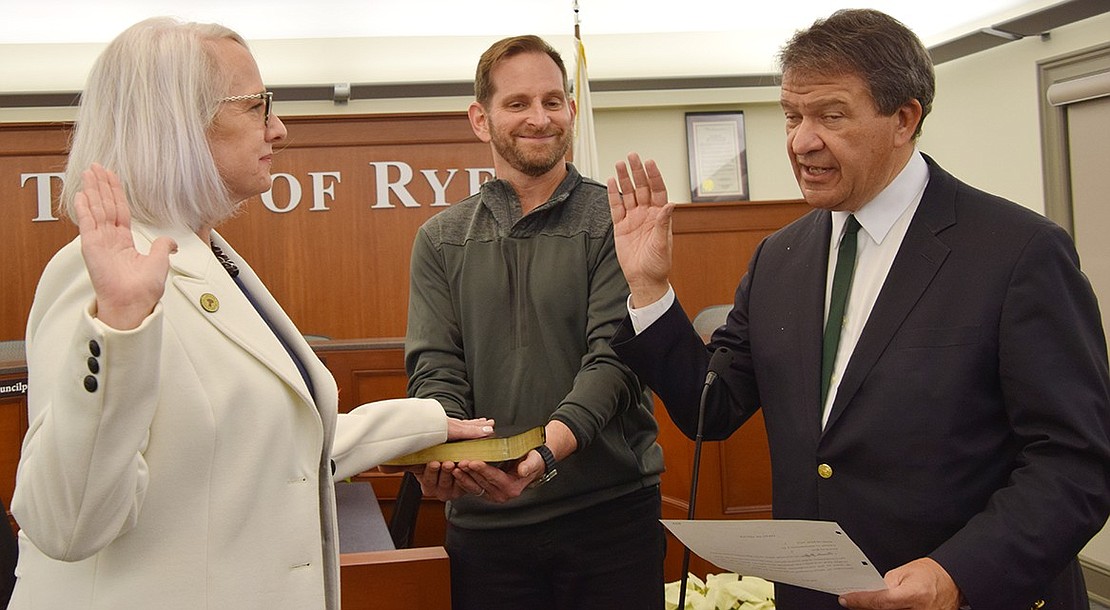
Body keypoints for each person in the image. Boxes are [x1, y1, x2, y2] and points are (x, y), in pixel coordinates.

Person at [606, 9, 1110, 610]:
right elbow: (711, 409)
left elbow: (1075, 461)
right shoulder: (780, 257)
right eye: (792, 116)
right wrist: (649, 289)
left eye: (830, 115)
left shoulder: (1018, 251)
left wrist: (959, 574)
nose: (800, 140)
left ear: (904, 119)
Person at [8, 18, 492, 610]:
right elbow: (66, 522)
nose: (280, 129)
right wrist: (120, 328)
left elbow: (260, 442)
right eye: (259, 106)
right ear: (178, 120)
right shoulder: (95, 274)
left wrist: (427, 425)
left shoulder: (212, 257)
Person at [403, 34, 665, 610]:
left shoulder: (613, 219)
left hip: (610, 518)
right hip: (486, 526)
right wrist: (443, 447)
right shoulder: (440, 239)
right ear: (481, 118)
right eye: (517, 103)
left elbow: (616, 361)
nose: (539, 118)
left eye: (552, 101)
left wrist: (546, 453)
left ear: (571, 110)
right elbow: (436, 369)